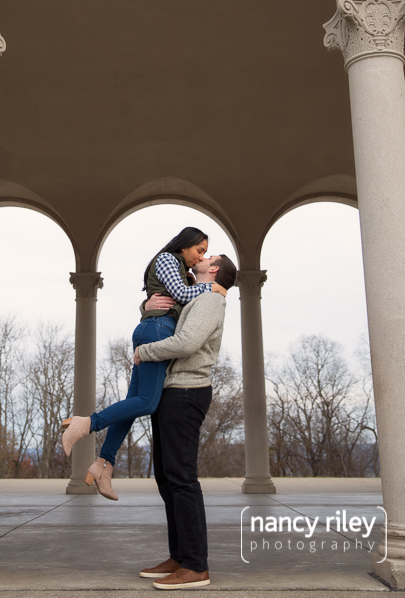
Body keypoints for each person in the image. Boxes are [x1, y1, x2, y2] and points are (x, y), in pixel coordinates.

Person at [61, 227, 227, 499]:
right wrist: (215, 288)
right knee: (148, 403)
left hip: (158, 327)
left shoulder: (182, 271)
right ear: (185, 245)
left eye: (205, 255)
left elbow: (172, 302)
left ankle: (103, 464)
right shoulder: (167, 259)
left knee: (133, 403)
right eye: (199, 251)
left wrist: (146, 305)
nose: (200, 258)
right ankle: (85, 424)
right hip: (157, 331)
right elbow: (181, 297)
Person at [135, 253, 237, 590]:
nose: (200, 257)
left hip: (187, 392)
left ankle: (196, 565)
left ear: (215, 269)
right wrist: (146, 306)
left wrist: (144, 353)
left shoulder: (209, 299)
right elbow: (167, 316)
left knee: (182, 479)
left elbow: (187, 342)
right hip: (174, 391)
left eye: (208, 255)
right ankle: (179, 556)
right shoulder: (196, 296)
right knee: (167, 477)